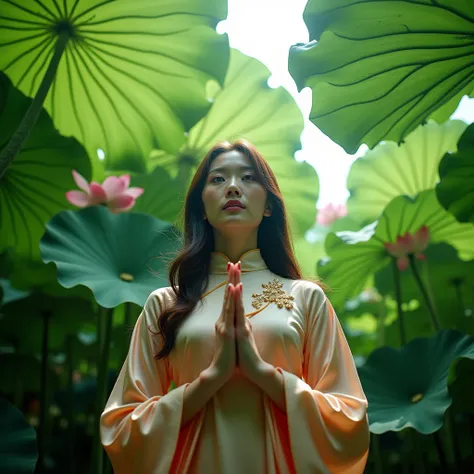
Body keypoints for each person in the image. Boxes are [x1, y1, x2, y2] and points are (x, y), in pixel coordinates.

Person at [100, 139, 370, 473]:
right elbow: (122, 426)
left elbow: (349, 417)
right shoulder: (166, 304)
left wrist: (261, 371)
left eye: (247, 178)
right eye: (217, 179)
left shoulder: (306, 298)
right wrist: (211, 377)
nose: (232, 187)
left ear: (268, 205)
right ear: (201, 205)